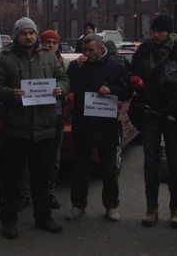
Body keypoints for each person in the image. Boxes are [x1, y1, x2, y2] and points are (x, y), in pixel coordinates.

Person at [0, 17, 70, 239]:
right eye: (23, 33)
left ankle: (43, 218)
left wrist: (60, 90)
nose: (28, 37)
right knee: (11, 178)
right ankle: (9, 220)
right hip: (16, 129)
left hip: (44, 129)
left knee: (41, 179)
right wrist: (10, 94)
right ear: (16, 35)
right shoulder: (4, 59)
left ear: (36, 34)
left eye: (31, 33)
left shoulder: (50, 57)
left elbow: (64, 79)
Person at [128, 14, 177, 229]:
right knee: (150, 163)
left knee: (175, 165)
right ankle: (152, 208)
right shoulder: (143, 51)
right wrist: (136, 91)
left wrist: (174, 107)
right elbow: (133, 77)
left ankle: (175, 209)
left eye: (160, 31)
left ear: (170, 32)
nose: (156, 35)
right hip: (150, 114)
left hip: (173, 117)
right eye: (154, 30)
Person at [64, 34, 128, 222]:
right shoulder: (78, 65)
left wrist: (112, 90)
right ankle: (78, 205)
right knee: (80, 168)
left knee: (109, 169)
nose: (86, 53)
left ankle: (111, 205)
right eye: (84, 50)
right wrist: (76, 68)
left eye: (90, 50)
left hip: (105, 124)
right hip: (83, 123)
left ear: (101, 49)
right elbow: (68, 84)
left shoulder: (115, 66)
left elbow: (126, 90)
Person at [40, 29, 70, 210]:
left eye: (54, 42)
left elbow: (69, 85)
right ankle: (28, 192)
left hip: (58, 116)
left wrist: (64, 95)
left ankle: (49, 192)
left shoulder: (65, 63)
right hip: (38, 115)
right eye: (47, 42)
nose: (51, 45)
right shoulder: (35, 59)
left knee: (54, 157)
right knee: (35, 157)